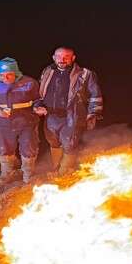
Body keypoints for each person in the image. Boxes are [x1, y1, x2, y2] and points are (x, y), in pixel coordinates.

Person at [37, 46, 104, 175]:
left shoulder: (84, 74)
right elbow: (40, 92)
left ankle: (64, 173)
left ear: (73, 58)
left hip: (72, 115)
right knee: (53, 142)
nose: (62, 60)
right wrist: (38, 105)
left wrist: (93, 113)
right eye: (59, 57)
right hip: (50, 115)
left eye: (66, 57)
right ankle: (56, 168)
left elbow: (95, 94)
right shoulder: (47, 71)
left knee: (69, 144)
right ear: (53, 58)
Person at [0, 57, 45, 184]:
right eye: (2, 75)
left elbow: (38, 99)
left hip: (27, 122)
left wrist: (38, 107)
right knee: (4, 149)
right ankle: (6, 173)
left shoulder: (29, 83)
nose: (6, 78)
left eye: (9, 74)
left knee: (29, 148)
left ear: (16, 72)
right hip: (4, 124)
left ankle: (28, 173)